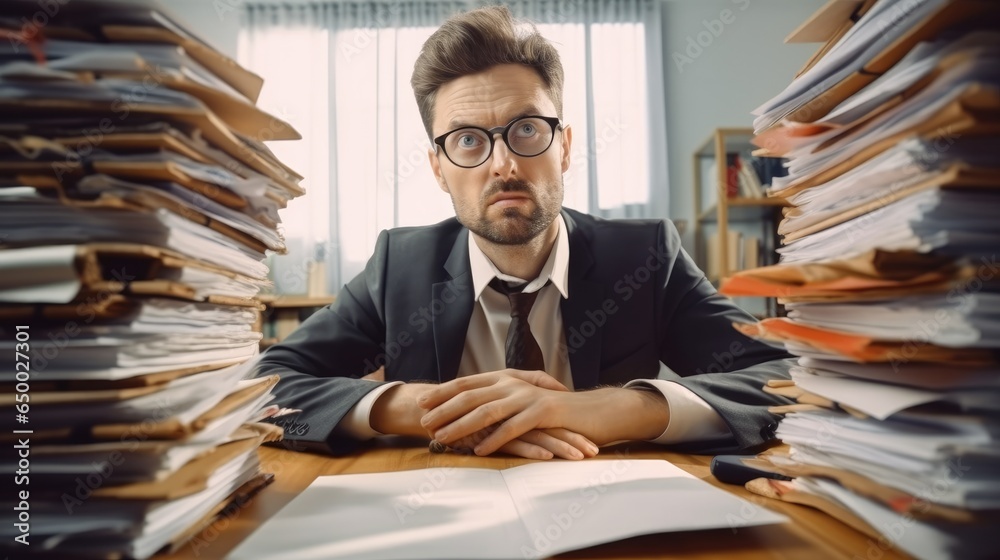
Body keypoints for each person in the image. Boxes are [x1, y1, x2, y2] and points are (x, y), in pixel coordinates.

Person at [256, 5, 793, 460]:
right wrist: (430, 410)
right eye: (468, 140)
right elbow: (263, 386)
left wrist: (618, 407)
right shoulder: (401, 264)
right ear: (438, 168)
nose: (504, 164)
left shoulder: (644, 257)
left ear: (564, 146)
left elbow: (784, 376)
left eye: (528, 130)